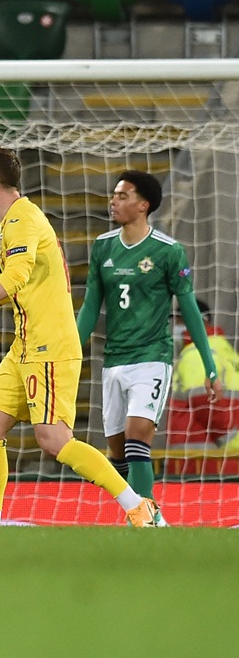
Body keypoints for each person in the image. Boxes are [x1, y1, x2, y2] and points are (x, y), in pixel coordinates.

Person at [0, 146, 163, 526]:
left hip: (48, 346)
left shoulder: (22, 219)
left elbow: (14, 277)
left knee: (53, 439)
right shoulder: (12, 221)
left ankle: (138, 505)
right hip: (24, 345)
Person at [75, 170, 221, 518]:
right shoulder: (103, 247)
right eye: (114, 195)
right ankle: (133, 511)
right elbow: (91, 304)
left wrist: (209, 363)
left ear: (143, 205)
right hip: (114, 360)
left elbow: (188, 308)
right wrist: (72, 350)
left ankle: (147, 515)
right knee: (117, 450)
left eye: (123, 196)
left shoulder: (168, 251)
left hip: (152, 358)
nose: (114, 200)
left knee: (137, 433)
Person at [169, 300, 239, 446]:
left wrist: (230, 442)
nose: (175, 327)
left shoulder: (196, 353)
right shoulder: (227, 352)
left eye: (180, 321)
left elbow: (205, 403)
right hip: (227, 458)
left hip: (201, 459)